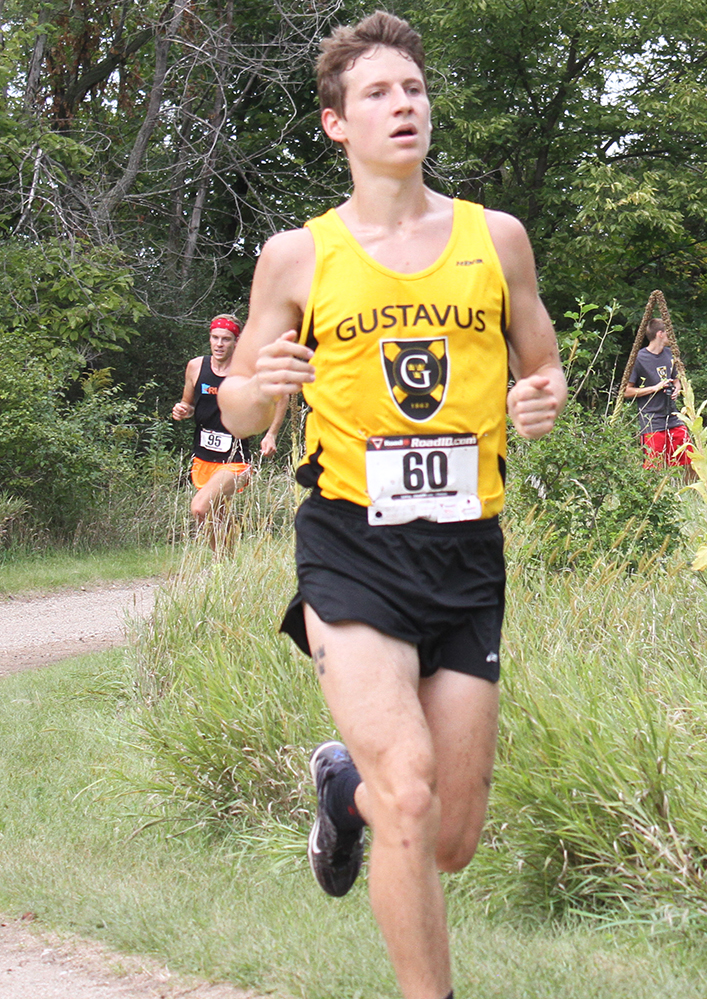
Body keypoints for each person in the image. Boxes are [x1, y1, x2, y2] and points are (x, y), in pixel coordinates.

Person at [218, 12, 566, 999]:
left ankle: (344, 790)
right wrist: (265, 380)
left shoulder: (495, 239)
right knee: (409, 789)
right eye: (377, 93)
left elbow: (542, 369)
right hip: (352, 544)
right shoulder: (298, 256)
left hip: (466, 551)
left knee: (449, 837)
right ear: (337, 124)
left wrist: (541, 398)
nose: (402, 105)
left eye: (411, 90)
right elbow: (241, 407)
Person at [171, 314, 286, 542]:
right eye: (215, 338)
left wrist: (271, 434)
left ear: (236, 341)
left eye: (226, 339)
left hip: (235, 459)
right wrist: (182, 410)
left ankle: (222, 565)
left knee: (200, 508)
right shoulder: (195, 367)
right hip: (203, 457)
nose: (219, 344)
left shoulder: (246, 370)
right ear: (210, 338)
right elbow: (188, 404)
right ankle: (223, 567)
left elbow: (281, 396)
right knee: (216, 515)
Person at [624, 318, 694, 473]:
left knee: (692, 460)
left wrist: (676, 388)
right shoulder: (638, 358)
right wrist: (654, 388)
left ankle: (692, 495)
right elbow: (626, 391)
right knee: (653, 467)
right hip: (651, 419)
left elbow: (677, 379)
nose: (673, 336)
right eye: (669, 332)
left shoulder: (670, 354)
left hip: (673, 416)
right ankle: (653, 496)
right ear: (660, 334)